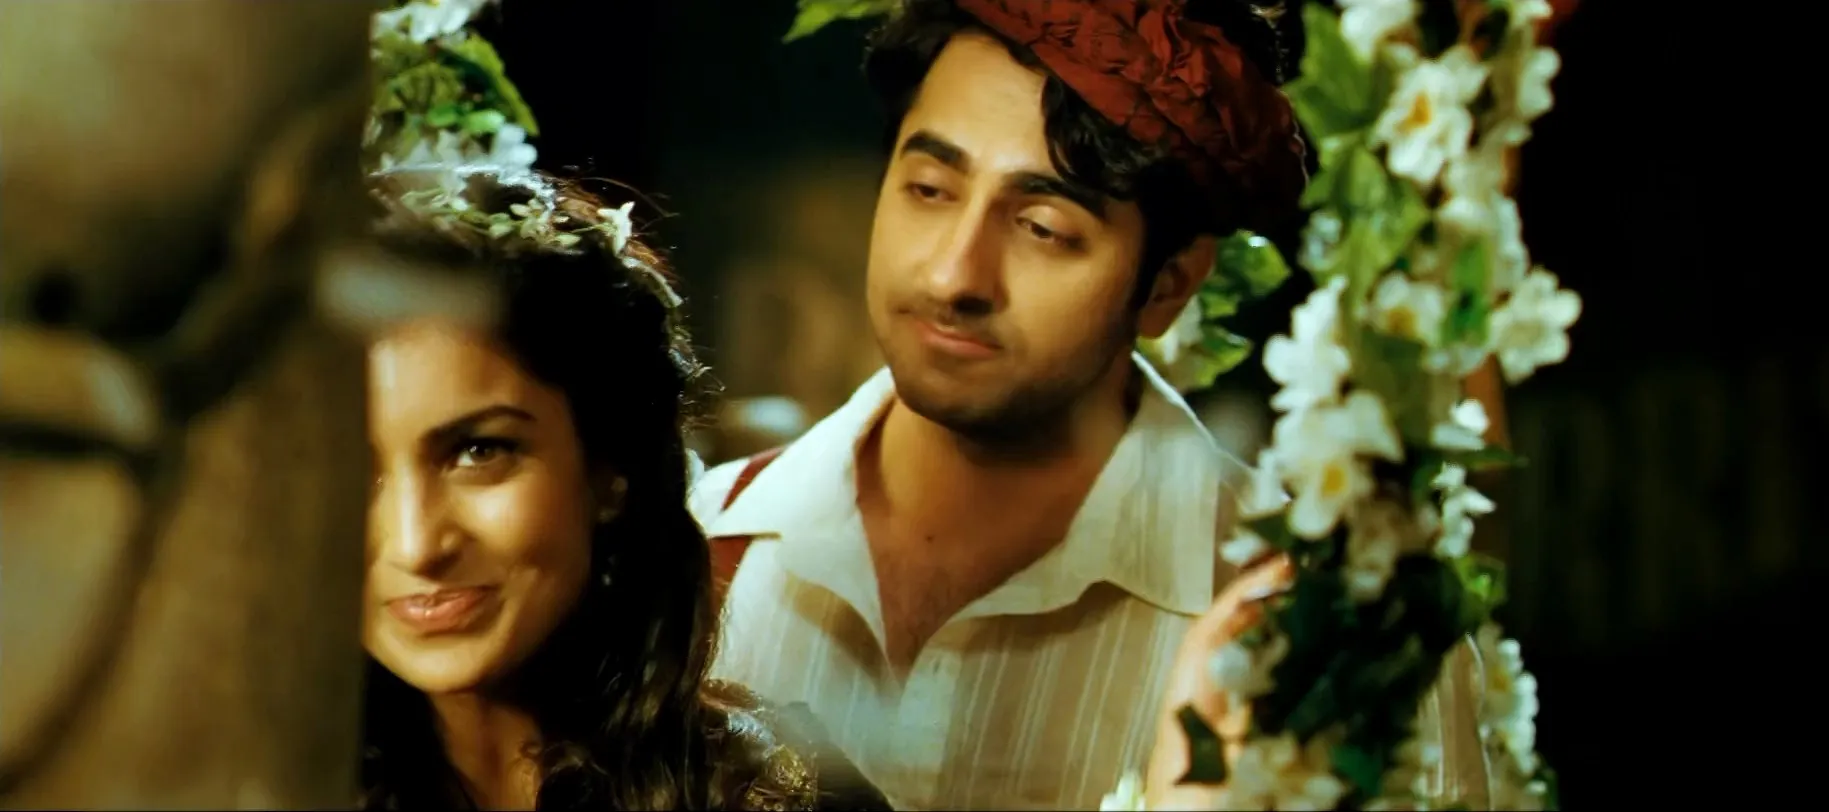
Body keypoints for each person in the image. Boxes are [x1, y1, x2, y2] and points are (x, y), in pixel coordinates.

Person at [691, 1, 1364, 808]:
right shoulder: (687, 547)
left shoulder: (1323, 639)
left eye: (1042, 227)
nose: (954, 276)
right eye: (929, 189)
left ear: (1169, 284)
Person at [356, 164, 891, 810]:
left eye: (479, 451)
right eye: (357, 473)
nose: (416, 544)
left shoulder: (780, 792)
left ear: (610, 467)